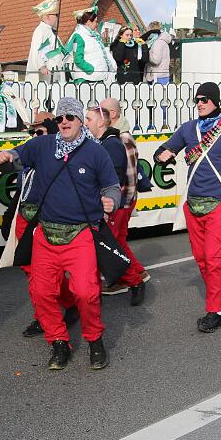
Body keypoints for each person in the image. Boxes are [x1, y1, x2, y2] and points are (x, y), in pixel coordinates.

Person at [0, 97, 120, 370]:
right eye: (60, 118)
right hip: (46, 235)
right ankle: (59, 342)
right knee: (41, 293)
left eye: (71, 117)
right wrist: (3, 159)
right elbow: (13, 161)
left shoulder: (96, 152)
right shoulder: (42, 145)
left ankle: (95, 340)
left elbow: (112, 187)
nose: (64, 121)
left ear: (78, 121)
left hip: (80, 235)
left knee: (85, 293)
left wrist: (111, 200)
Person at [154, 83, 221, 332]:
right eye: (197, 99)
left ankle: (214, 311)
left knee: (214, 260)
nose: (200, 103)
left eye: (205, 99)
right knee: (202, 260)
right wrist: (162, 156)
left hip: (218, 204)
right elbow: (164, 150)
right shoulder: (188, 128)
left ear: (215, 101)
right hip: (192, 205)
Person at [0, 113, 80, 338]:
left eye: (39, 132)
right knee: (31, 271)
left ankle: (47, 317)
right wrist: (9, 219)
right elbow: (19, 192)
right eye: (31, 132)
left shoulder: (58, 156)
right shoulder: (28, 154)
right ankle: (64, 305)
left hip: (45, 218)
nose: (34, 136)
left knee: (43, 275)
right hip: (24, 217)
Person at [85, 105, 146, 305]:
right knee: (104, 249)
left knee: (109, 249)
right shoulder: (105, 142)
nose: (86, 123)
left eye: (89, 119)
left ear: (101, 121)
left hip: (111, 208)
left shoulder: (112, 144)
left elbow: (114, 180)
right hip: (106, 206)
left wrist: (106, 207)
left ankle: (134, 280)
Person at [99, 97, 150, 298]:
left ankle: (125, 279)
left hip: (121, 200)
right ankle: (137, 272)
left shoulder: (121, 138)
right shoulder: (118, 135)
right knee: (118, 240)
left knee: (112, 243)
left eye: (102, 110)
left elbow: (126, 173)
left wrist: (121, 203)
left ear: (113, 114)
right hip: (122, 199)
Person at [65, 6, 115, 84]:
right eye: (95, 21)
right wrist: (91, 69)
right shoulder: (78, 35)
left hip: (96, 78)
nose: (97, 24)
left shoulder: (93, 36)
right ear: (88, 22)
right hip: (86, 80)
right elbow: (78, 59)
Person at [26, 0, 66, 84]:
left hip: (55, 76)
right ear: (48, 16)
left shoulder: (50, 31)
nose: (58, 18)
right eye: (56, 15)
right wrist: (41, 66)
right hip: (46, 77)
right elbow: (38, 50)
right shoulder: (41, 30)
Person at [144, 21, 172, 85]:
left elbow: (156, 60)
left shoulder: (157, 43)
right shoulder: (164, 42)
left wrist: (148, 52)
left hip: (157, 76)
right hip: (163, 74)